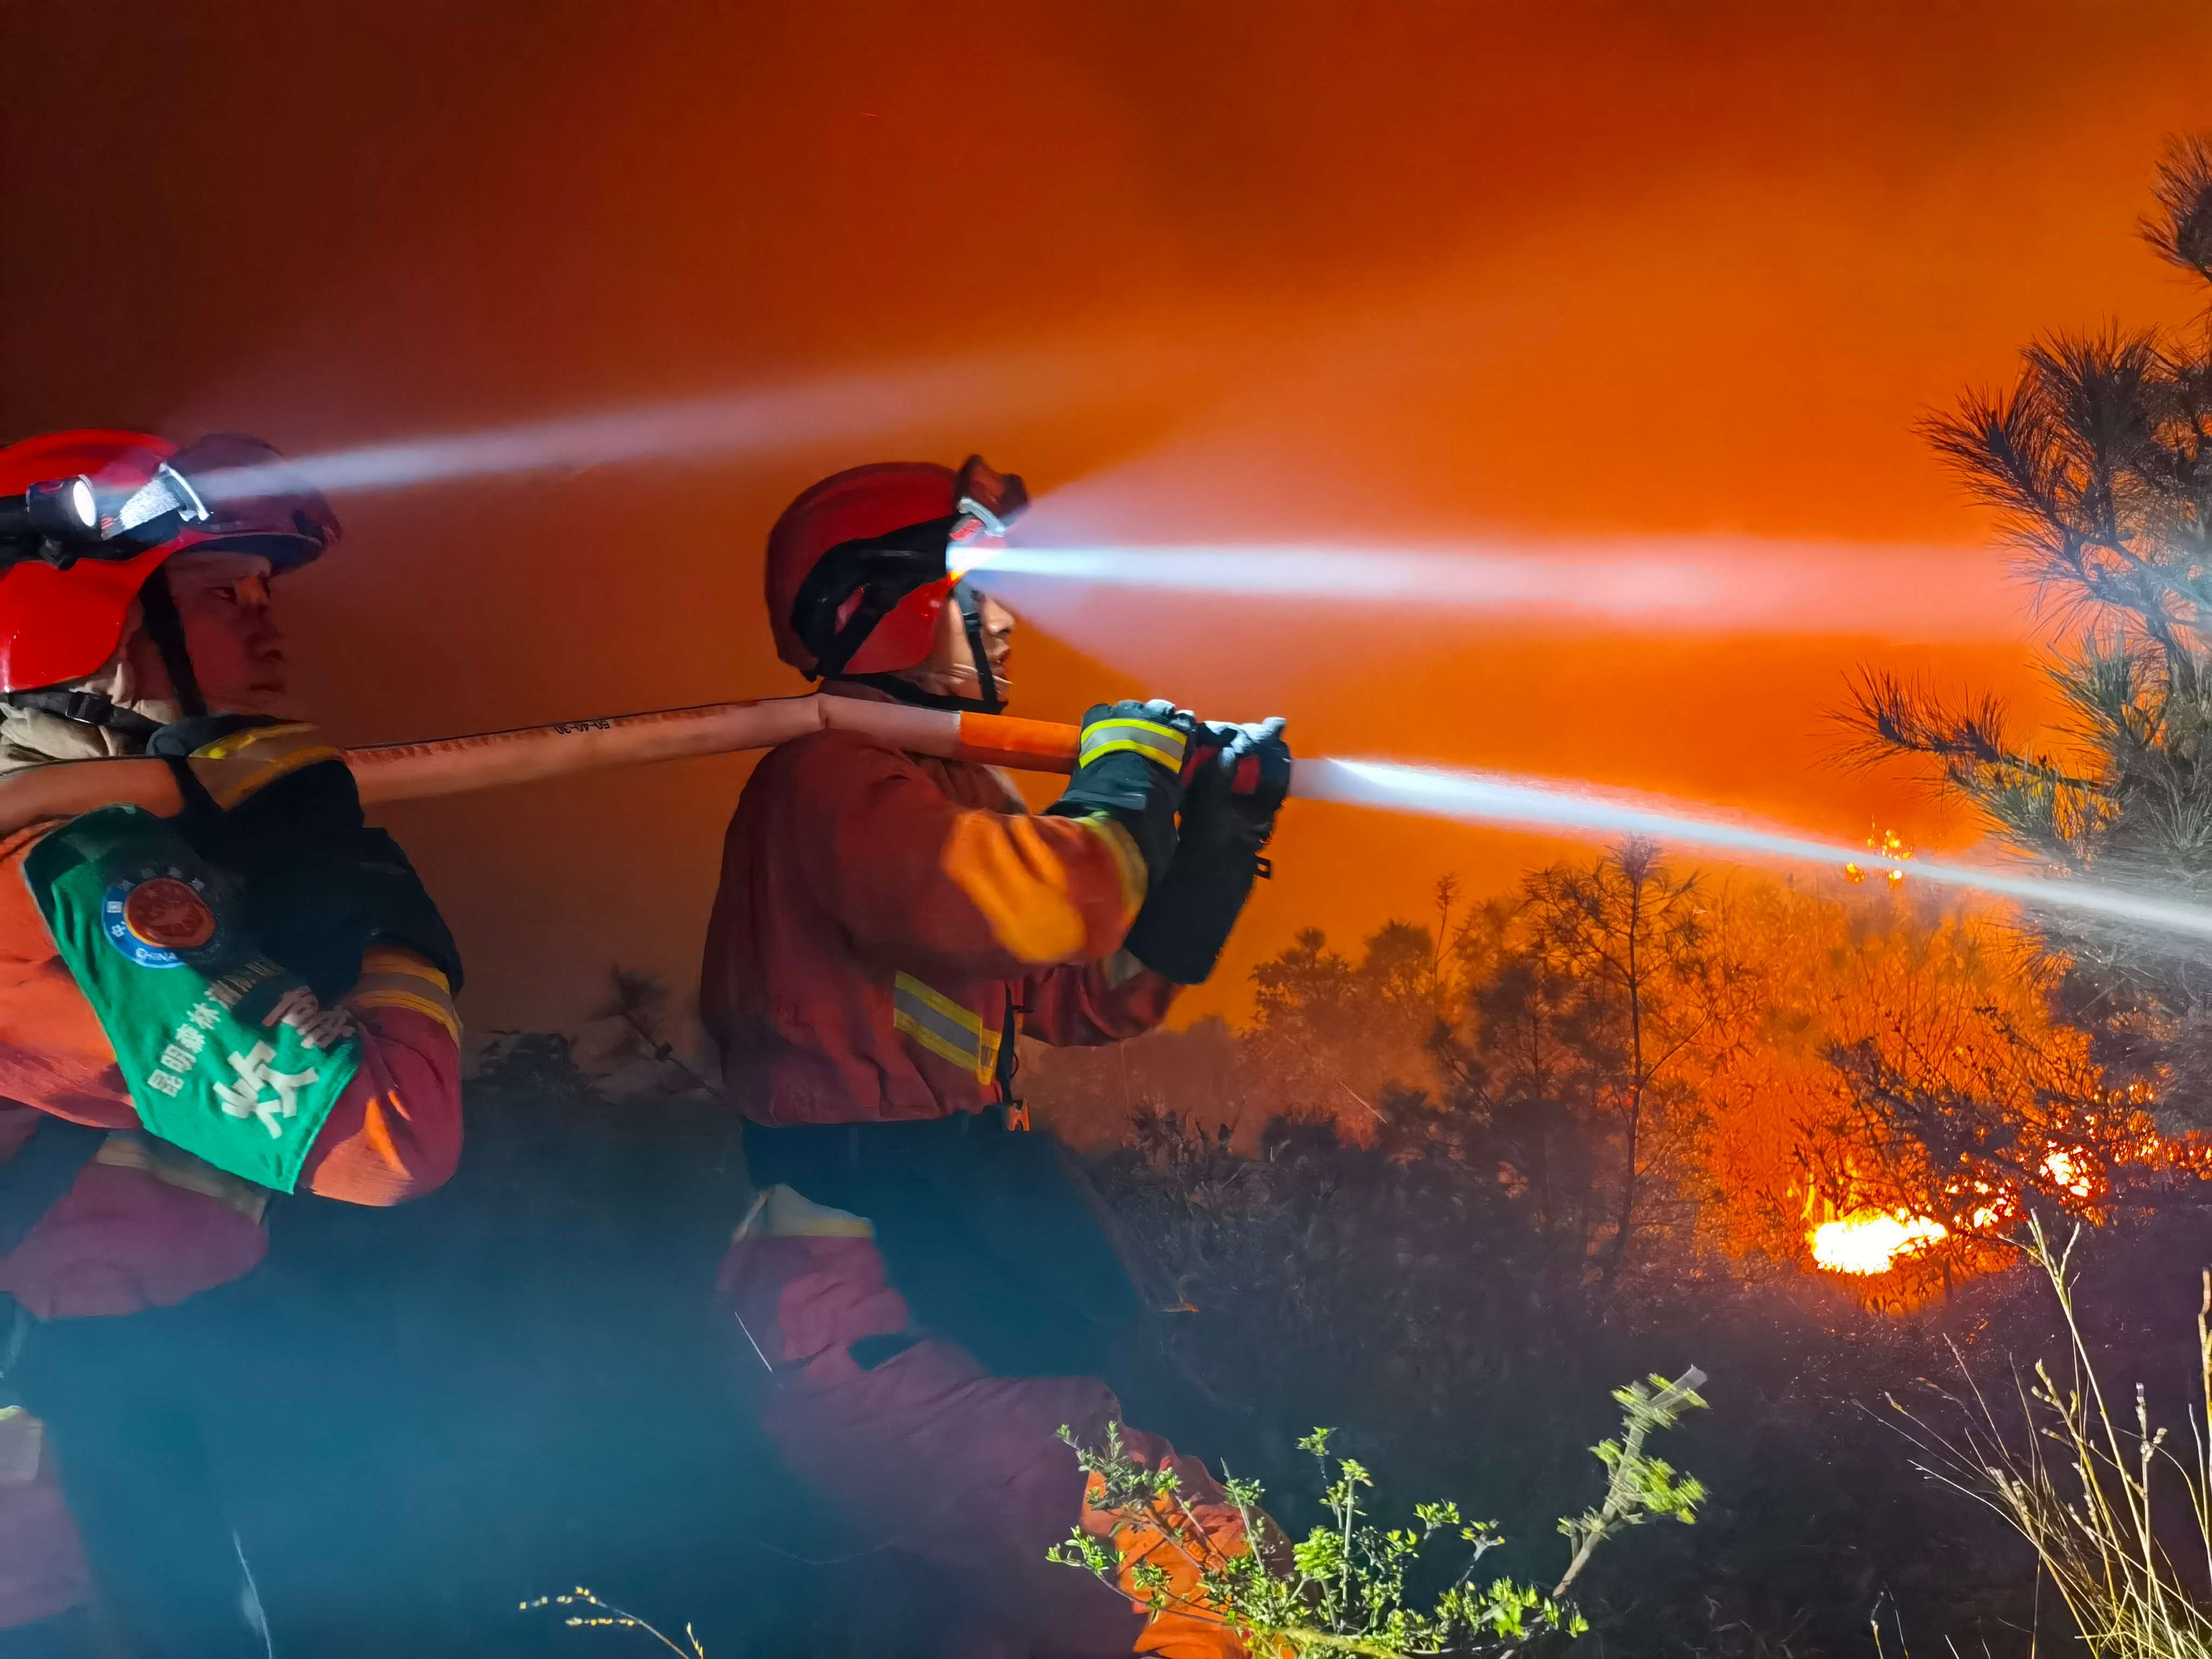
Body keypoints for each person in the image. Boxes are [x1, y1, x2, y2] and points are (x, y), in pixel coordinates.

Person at [701, 457, 1289, 1657]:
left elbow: (1085, 996)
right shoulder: (830, 778)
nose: (1012, 620)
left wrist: (1215, 849)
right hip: (859, 1310)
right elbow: (1025, 909)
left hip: (938, 1267)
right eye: (980, 584)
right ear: (892, 597)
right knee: (1222, 1587)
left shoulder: (939, 784)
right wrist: (1122, 781)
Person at [0, 430, 464, 1656]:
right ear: (78, 629)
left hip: (147, 1395)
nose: (270, 634)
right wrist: (387, 923)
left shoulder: (113, 839)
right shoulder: (65, 864)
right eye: (218, 598)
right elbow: (386, 1139)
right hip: (71, 1483)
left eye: (265, 599)